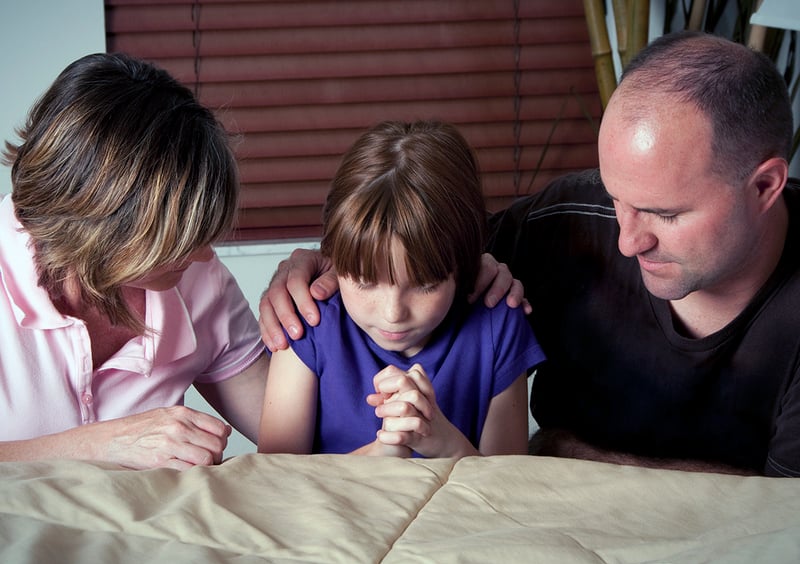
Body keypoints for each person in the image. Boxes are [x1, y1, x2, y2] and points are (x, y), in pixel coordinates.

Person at [258, 31, 800, 477]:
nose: (627, 240)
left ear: (765, 186)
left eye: (665, 214)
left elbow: (779, 512)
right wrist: (314, 263)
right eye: (617, 200)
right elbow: (417, 243)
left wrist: (566, 454)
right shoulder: (562, 222)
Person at [0, 52, 270, 471]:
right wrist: (98, 445)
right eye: (175, 240)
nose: (202, 254)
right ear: (97, 224)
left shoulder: (201, 280)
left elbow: (299, 435)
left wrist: (335, 280)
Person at [257, 121, 545, 457]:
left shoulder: (499, 326)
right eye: (365, 281)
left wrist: (446, 444)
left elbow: (507, 492)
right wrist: (381, 454)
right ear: (334, 259)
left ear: (465, 265)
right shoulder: (308, 322)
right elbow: (275, 483)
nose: (393, 313)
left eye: (425, 285)